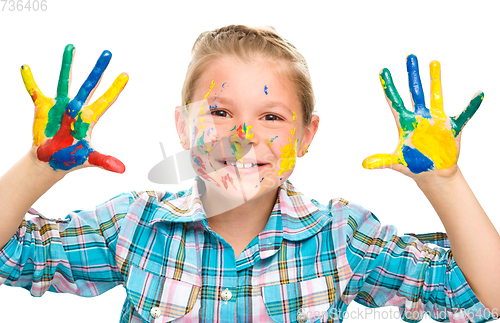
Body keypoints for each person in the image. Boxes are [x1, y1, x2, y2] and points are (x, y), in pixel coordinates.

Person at [0, 25, 498, 322]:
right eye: (219, 113)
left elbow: (483, 292)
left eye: (272, 117)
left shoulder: (342, 237)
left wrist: (445, 182)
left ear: (307, 136)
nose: (241, 137)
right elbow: (13, 253)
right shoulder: (134, 225)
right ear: (181, 125)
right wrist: (38, 167)